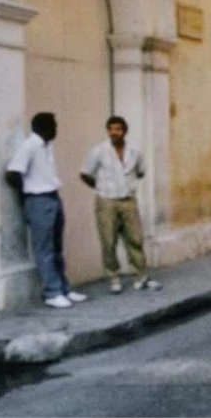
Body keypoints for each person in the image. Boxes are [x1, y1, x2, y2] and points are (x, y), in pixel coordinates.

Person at [4, 113, 87, 309]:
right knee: (45, 249)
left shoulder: (46, 146)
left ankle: (64, 288)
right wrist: (27, 196)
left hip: (52, 196)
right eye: (54, 126)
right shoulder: (30, 146)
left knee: (57, 247)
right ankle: (52, 292)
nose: (56, 130)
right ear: (45, 127)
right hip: (38, 199)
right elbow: (13, 173)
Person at [80, 116, 161, 294]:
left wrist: (129, 185)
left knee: (135, 238)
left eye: (118, 129)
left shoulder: (135, 150)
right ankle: (114, 278)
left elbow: (141, 172)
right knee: (108, 240)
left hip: (128, 200)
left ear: (125, 131)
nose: (114, 133)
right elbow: (85, 173)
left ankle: (141, 276)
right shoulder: (99, 151)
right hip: (106, 201)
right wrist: (100, 187)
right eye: (111, 129)